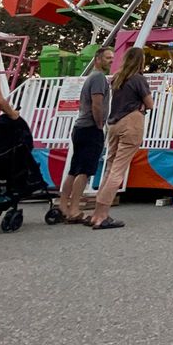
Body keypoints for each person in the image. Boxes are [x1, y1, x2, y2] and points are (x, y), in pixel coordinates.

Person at [88, 47, 153, 229]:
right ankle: (102, 216)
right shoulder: (138, 79)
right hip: (131, 121)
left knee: (110, 167)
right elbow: (150, 103)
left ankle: (96, 213)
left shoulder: (117, 78)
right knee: (118, 169)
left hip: (114, 123)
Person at [58, 47, 114, 224]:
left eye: (112, 57)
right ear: (98, 59)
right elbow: (97, 103)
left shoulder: (92, 77)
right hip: (90, 127)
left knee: (74, 168)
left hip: (80, 127)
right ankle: (74, 209)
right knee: (84, 170)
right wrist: (99, 124)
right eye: (107, 58)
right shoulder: (98, 78)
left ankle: (63, 205)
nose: (111, 61)